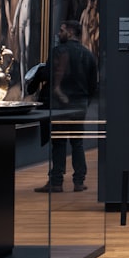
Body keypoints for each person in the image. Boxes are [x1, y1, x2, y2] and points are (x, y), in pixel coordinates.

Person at [33, 21, 99, 193]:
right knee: (77, 142)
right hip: (79, 104)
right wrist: (85, 100)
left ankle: (56, 181)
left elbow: (48, 74)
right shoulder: (88, 55)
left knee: (59, 142)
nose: (59, 33)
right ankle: (79, 181)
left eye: (61, 30)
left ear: (70, 32)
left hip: (59, 104)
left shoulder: (58, 51)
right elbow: (93, 85)